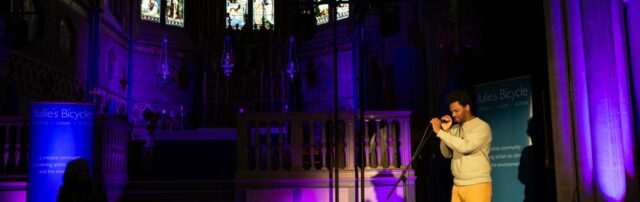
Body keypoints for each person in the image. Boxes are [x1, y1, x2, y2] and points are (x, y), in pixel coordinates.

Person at [430, 89, 492, 202]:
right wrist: (447, 131)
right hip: (457, 185)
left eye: (456, 111)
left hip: (477, 185)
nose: (453, 115)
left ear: (467, 107)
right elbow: (446, 153)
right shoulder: (455, 128)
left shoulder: (482, 127)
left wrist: (440, 132)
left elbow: (465, 147)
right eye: (452, 111)